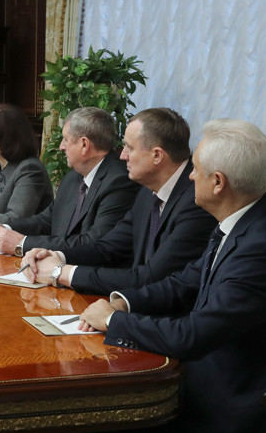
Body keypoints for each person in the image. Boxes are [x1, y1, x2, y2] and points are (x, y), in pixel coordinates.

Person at [77, 119, 266, 433]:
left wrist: (113, 322)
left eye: (196, 169)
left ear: (218, 182)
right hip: (213, 387)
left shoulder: (264, 248)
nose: (189, 176)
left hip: (245, 416)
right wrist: (122, 304)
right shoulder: (244, 222)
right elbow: (185, 282)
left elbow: (193, 335)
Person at [20, 107, 215, 295]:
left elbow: (151, 277)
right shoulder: (147, 191)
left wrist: (61, 273)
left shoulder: (196, 201)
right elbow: (108, 248)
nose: (122, 155)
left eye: (130, 148)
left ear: (157, 155)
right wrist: (56, 255)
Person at [0, 107, 140, 254]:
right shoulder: (73, 177)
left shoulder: (119, 182)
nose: (61, 147)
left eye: (65, 139)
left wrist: (21, 243)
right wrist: (4, 229)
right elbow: (46, 220)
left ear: (84, 145)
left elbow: (94, 243)